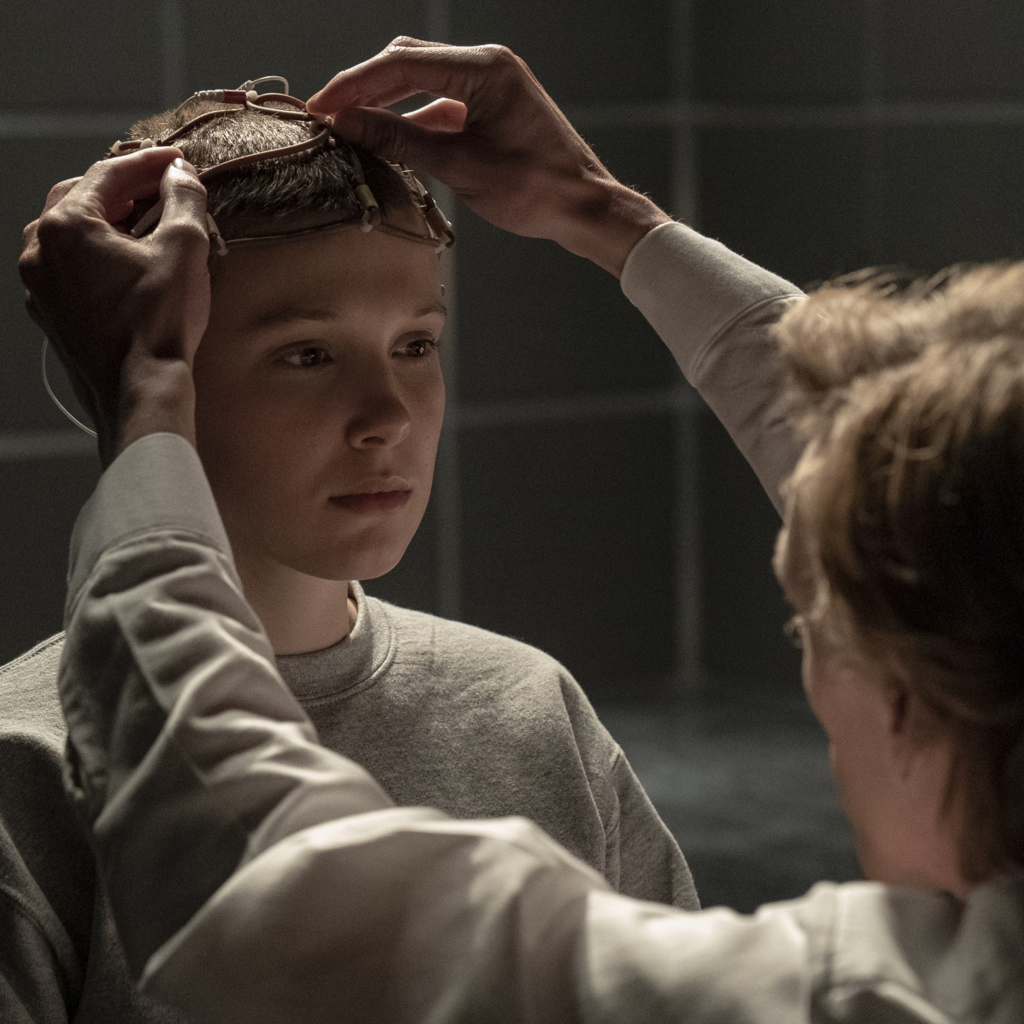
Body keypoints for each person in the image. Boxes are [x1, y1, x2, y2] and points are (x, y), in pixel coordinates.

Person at [22, 39, 1024, 1024]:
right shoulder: (23, 771)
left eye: (417, 345)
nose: (389, 413)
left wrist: (144, 402)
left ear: (926, 711)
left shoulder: (529, 716)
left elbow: (269, 896)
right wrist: (605, 212)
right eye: (308, 353)